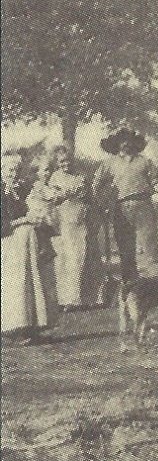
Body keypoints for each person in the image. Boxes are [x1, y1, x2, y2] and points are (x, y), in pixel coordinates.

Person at [92, 129, 158, 292]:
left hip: (143, 206)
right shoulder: (109, 163)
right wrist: (101, 203)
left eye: (128, 140)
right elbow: (96, 184)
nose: (126, 143)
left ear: (135, 143)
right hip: (121, 208)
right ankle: (130, 287)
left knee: (148, 245)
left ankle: (153, 285)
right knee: (125, 247)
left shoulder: (145, 161)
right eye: (122, 140)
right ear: (116, 143)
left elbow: (157, 183)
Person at [2, 151, 58, 343]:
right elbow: (3, 224)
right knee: (15, 286)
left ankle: (32, 325)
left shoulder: (20, 190)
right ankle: (14, 329)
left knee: (31, 282)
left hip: (25, 243)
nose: (13, 173)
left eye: (16, 170)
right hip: (8, 245)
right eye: (9, 169)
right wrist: (24, 220)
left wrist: (37, 219)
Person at [33, 145, 93, 310]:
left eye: (67, 161)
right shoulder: (54, 178)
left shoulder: (81, 176)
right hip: (61, 223)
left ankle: (75, 298)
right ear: (57, 163)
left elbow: (83, 194)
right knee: (62, 260)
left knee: (77, 258)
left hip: (77, 222)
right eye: (61, 161)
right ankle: (62, 299)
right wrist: (63, 194)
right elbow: (52, 198)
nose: (65, 164)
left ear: (72, 161)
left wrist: (65, 193)